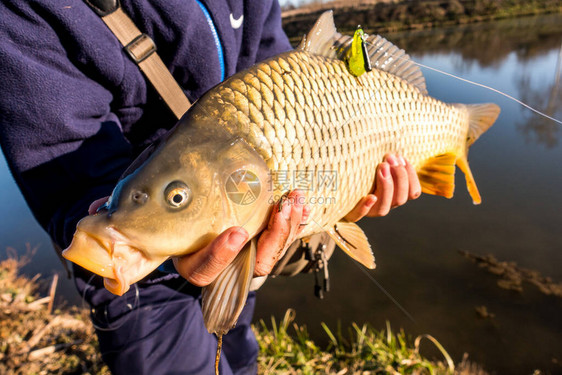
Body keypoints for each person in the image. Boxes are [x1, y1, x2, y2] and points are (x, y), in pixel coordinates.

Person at [0, 0, 420, 373]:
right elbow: (59, 160)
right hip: (139, 283)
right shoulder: (26, 10)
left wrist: (347, 192)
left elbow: (279, 75)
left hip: (237, 237)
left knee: (240, 356)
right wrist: (152, 242)